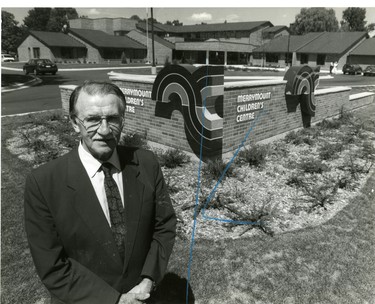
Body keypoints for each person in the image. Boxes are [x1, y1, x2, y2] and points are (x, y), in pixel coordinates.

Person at [24, 81, 177, 304]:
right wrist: (116, 300)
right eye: (93, 119)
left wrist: (148, 279)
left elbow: (164, 226)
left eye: (113, 119)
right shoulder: (43, 183)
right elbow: (52, 265)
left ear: (123, 120)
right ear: (75, 123)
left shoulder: (146, 163)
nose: (104, 130)